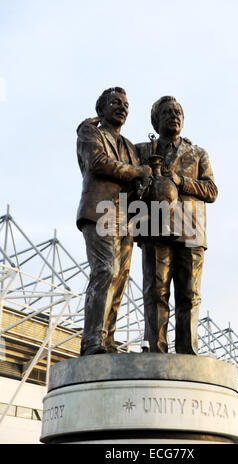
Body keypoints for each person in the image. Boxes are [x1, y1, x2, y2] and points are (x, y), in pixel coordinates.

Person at [136, 96, 218, 354]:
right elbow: (129, 188)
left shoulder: (197, 153)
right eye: (167, 112)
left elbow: (212, 191)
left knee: (189, 296)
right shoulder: (142, 151)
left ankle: (188, 352)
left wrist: (179, 181)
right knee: (155, 293)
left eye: (178, 112)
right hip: (154, 228)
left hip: (191, 228)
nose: (174, 116)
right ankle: (155, 350)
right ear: (155, 120)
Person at [76, 87, 151, 355]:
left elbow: (134, 184)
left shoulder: (130, 147)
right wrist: (136, 172)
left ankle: (107, 341)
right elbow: (97, 162)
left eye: (126, 104)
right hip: (99, 211)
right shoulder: (90, 132)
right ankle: (91, 341)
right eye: (116, 103)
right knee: (105, 270)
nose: (122, 107)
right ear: (102, 109)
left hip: (125, 218)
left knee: (119, 278)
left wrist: (142, 183)